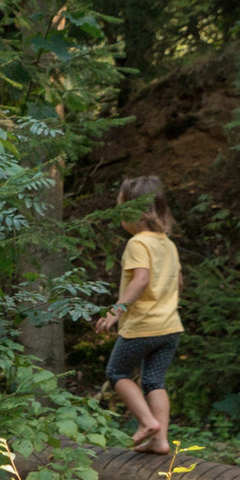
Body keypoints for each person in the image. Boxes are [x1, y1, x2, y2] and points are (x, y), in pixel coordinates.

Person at [95, 175, 184, 456]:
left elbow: (141, 279)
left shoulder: (138, 243)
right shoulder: (167, 243)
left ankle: (147, 422)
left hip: (142, 326)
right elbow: (178, 281)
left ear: (135, 213)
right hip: (170, 327)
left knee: (117, 372)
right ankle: (160, 441)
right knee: (154, 381)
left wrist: (116, 309)